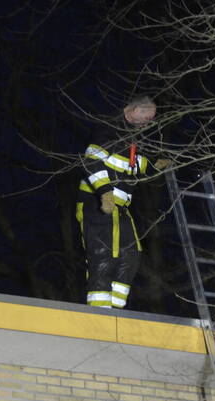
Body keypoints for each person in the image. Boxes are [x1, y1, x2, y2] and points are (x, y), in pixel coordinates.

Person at [75, 95, 169, 309]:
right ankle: (99, 313)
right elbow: (91, 161)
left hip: (121, 208)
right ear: (133, 110)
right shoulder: (109, 131)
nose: (148, 122)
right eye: (147, 117)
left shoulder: (133, 139)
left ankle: (116, 311)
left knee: (130, 256)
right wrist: (105, 193)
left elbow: (137, 167)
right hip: (97, 205)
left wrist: (158, 166)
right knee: (103, 255)